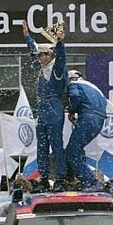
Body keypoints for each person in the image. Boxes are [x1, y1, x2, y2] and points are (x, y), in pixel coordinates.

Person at [22, 20, 67, 192]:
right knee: (41, 145)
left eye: (45, 54)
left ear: (52, 55)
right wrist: (27, 36)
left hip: (54, 109)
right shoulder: (40, 67)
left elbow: (62, 58)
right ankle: (44, 177)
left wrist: (61, 43)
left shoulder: (57, 69)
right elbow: (33, 51)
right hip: (42, 110)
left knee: (56, 145)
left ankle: (61, 178)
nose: (41, 57)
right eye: (41, 55)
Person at [65, 69, 107, 188]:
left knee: (71, 152)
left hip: (88, 118)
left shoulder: (74, 84)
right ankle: (85, 179)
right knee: (77, 150)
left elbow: (74, 96)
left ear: (70, 78)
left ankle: (89, 181)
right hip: (99, 121)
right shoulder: (94, 88)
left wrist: (72, 111)